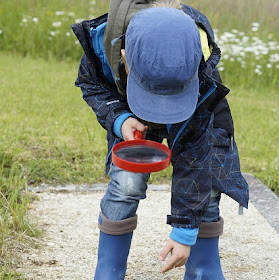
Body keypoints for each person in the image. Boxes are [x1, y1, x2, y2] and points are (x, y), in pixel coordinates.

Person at [71, 1, 249, 279]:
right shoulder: (102, 46)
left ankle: (203, 269)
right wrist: (119, 118)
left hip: (192, 105)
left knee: (211, 180)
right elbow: (91, 85)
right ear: (124, 54)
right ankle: (109, 269)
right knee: (126, 183)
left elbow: (196, 156)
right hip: (132, 112)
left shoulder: (198, 65)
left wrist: (184, 230)